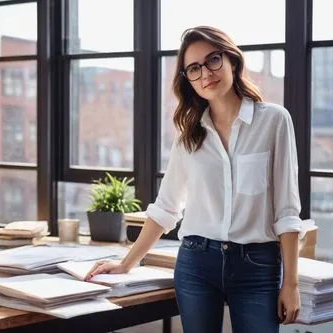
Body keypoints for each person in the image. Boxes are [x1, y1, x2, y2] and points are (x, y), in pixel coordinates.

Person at [86, 26, 302, 333]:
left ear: (232, 60)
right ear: (187, 79)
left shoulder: (274, 121)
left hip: (257, 265)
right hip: (197, 263)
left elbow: (287, 212)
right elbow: (166, 208)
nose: (206, 74)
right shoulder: (189, 133)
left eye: (213, 60)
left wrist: (291, 284)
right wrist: (126, 263)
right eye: (194, 69)